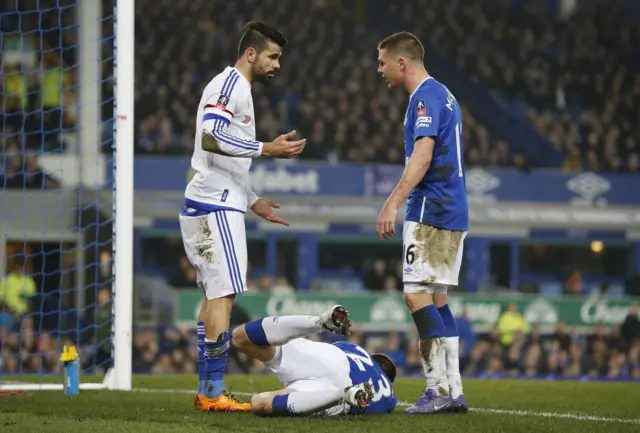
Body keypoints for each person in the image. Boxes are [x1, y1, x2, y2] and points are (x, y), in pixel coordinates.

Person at [179, 20, 307, 412]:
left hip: (213, 198)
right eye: (272, 56)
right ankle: (213, 392)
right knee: (223, 295)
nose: (277, 64)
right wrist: (266, 148)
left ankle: (208, 389)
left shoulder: (236, 89)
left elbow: (216, 154)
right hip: (216, 204)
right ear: (250, 53)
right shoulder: (231, 85)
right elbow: (210, 136)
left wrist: (252, 199)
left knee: (213, 297)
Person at [375, 31, 469, 414]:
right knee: (437, 300)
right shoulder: (445, 93)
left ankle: (437, 389)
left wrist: (392, 203)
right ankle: (453, 390)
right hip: (453, 210)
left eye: (382, 62)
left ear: (402, 62)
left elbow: (423, 156)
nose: (378, 70)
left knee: (415, 296)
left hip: (430, 209)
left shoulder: (424, 98)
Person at [231, 305, 397, 416]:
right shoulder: (389, 396)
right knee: (260, 403)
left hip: (334, 357)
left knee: (240, 338)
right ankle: (344, 394)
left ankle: (319, 322)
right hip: (338, 385)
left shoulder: (360, 351)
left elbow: (336, 348)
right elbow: (385, 405)